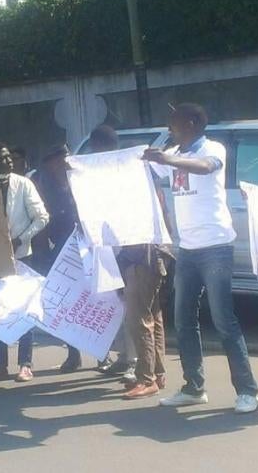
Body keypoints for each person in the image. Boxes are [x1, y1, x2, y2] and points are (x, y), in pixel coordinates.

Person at [143, 103, 258, 414]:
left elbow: (206, 167)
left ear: (193, 123)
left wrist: (168, 158)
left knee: (224, 320)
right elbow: (145, 171)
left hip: (216, 246)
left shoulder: (213, 148)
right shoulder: (173, 152)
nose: (170, 130)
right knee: (183, 320)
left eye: (174, 124)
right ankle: (194, 388)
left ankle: (247, 391)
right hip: (187, 249)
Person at [86, 124, 174, 400]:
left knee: (139, 317)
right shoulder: (138, 171)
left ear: (98, 149)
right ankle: (157, 373)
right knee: (153, 314)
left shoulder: (121, 177)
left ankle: (146, 378)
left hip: (140, 252)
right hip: (154, 250)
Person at [0, 142, 50, 383]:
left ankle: (25, 364)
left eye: (9, 157)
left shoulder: (24, 184)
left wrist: (22, 238)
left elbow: (42, 217)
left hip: (22, 255)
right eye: (4, 158)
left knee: (24, 309)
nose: (9, 161)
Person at [32, 143, 85, 372]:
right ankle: (74, 353)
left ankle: (102, 355)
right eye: (61, 159)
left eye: (67, 157)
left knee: (93, 300)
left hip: (85, 246)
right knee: (66, 304)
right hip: (57, 250)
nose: (66, 162)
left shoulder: (80, 178)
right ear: (49, 163)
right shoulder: (38, 183)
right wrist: (43, 254)